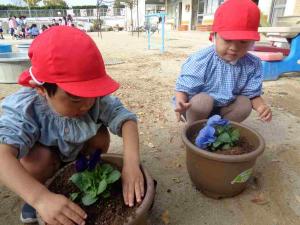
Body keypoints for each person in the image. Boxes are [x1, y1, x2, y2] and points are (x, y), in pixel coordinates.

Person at [0, 26, 144, 224]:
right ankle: (36, 194)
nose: (87, 104)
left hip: (78, 153)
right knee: (36, 161)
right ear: (42, 89)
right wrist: (39, 197)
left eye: (92, 94)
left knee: (100, 136)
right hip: (47, 160)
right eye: (75, 98)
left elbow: (126, 120)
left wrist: (131, 163)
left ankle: (82, 175)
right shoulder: (27, 108)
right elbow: (2, 155)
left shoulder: (94, 99)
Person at [174, 0, 272, 124]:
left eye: (243, 42)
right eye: (227, 40)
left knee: (244, 104)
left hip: (225, 109)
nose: (234, 47)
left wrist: (261, 107)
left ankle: (220, 128)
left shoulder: (252, 64)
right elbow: (184, 87)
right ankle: (194, 129)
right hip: (196, 109)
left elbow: (252, 94)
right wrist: (180, 102)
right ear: (214, 36)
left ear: (252, 42)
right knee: (203, 101)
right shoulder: (202, 59)